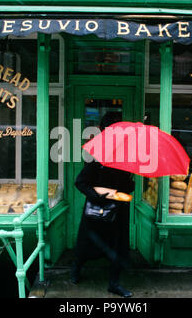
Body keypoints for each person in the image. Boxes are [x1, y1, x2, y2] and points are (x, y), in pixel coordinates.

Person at [71, 111, 135, 298]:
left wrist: (130, 183)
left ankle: (114, 284)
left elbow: (127, 186)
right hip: (97, 210)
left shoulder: (127, 154)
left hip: (119, 210)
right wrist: (99, 197)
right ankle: (76, 269)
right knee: (88, 244)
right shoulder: (97, 155)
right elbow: (80, 182)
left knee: (118, 247)